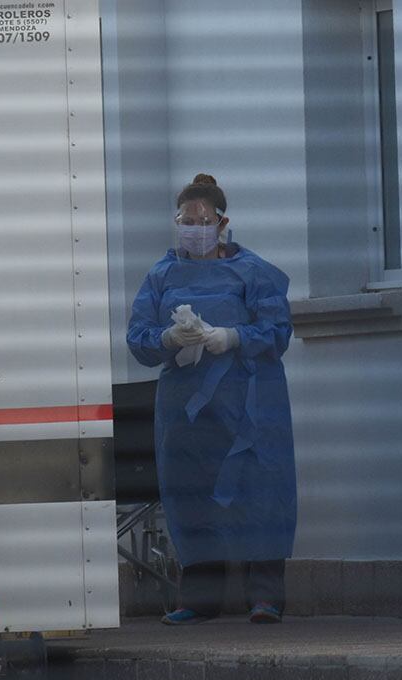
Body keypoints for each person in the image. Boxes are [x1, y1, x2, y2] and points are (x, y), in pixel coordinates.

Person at [126, 173, 298, 625]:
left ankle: (265, 597)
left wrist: (232, 336)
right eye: (187, 221)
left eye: (203, 221)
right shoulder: (161, 275)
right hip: (187, 413)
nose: (194, 229)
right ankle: (199, 598)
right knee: (193, 494)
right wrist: (167, 336)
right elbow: (138, 338)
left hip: (250, 404)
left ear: (223, 224)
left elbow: (278, 331)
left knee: (258, 493)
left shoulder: (253, 272)